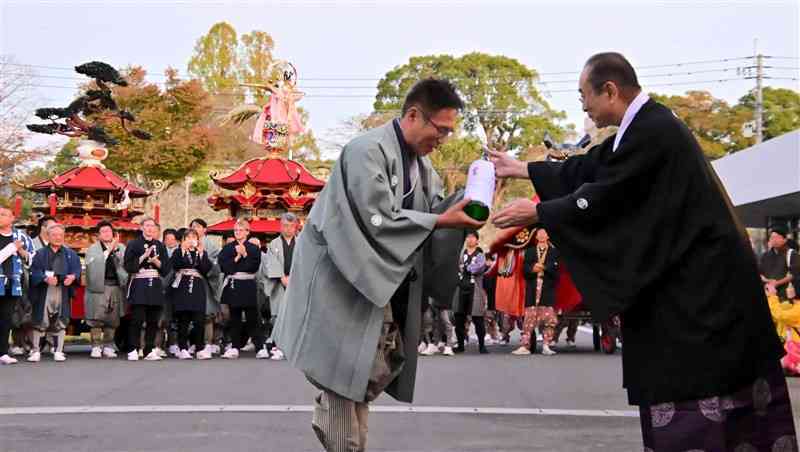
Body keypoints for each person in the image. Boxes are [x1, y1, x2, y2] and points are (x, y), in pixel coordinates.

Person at [490, 52, 796, 450]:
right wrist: (524, 169)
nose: (582, 104)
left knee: (708, 409)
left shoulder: (654, 131)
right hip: (700, 294)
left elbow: (610, 193)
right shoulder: (643, 128)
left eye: (585, 95)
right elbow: (592, 167)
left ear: (610, 90)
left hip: (702, 301)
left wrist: (540, 211)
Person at [274, 78, 483, 452]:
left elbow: (431, 216)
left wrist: (467, 201)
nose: (443, 139)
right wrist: (440, 220)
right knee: (342, 378)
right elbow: (377, 217)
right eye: (441, 129)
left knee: (363, 377)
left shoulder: (423, 168)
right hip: (342, 282)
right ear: (414, 115)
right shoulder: (365, 150)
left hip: (374, 286)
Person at [28, 223, 81, 363]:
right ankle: (35, 350)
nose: (58, 238)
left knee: (61, 320)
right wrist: (44, 278)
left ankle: (58, 350)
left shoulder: (71, 254)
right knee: (40, 319)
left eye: (60, 235)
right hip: (45, 290)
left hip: (62, 289)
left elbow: (77, 270)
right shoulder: (40, 254)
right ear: (48, 236)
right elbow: (33, 271)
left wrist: (73, 277)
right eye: (54, 235)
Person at [123, 217, 171, 361]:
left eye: (152, 226)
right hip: (139, 282)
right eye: (147, 225)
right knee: (137, 319)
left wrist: (156, 261)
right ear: (141, 227)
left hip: (155, 283)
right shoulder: (133, 244)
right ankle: (133, 348)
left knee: (153, 319)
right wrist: (143, 257)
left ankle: (149, 349)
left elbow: (166, 269)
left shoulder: (160, 245)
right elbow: (128, 266)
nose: (150, 228)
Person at [218, 218, 265, 359]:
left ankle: (259, 346)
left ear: (247, 232)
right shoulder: (227, 248)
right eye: (236, 230)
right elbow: (225, 267)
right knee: (235, 317)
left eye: (240, 230)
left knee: (253, 317)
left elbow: (253, 267)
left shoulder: (254, 248)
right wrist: (237, 258)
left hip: (248, 283)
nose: (238, 232)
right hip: (234, 283)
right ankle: (234, 346)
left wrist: (244, 254)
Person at [84, 221, 128, 359]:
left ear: (113, 233)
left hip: (115, 286)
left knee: (112, 319)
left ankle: (109, 345)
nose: (106, 234)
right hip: (99, 286)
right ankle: (96, 346)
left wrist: (115, 251)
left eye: (109, 231)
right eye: (103, 232)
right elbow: (92, 265)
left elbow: (125, 265)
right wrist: (109, 251)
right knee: (96, 318)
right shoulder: (93, 248)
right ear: (98, 235)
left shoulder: (121, 247)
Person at [514, 228, 560, 356]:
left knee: (549, 319)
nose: (541, 235)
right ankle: (525, 346)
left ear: (548, 236)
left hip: (547, 288)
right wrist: (532, 269)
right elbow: (524, 268)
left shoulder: (553, 252)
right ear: (536, 236)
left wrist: (543, 267)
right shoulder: (529, 251)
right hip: (533, 286)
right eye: (539, 233)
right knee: (529, 319)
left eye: (544, 233)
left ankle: (546, 345)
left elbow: (556, 269)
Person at [169, 229, 214, 360]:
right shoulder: (177, 252)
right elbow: (175, 265)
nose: (191, 240)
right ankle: (183, 347)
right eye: (187, 237)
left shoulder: (201, 252)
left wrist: (200, 254)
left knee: (199, 319)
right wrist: (183, 250)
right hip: (182, 285)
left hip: (198, 287)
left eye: (193, 237)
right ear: (183, 240)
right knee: (183, 319)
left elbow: (206, 269)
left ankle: (199, 347)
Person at [263, 212, 299, 360]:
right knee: (278, 316)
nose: (288, 229)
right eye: (285, 225)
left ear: (296, 226)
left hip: (298, 284)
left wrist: (294, 278)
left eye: (291, 226)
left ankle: (293, 347)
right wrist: (282, 277)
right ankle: (278, 346)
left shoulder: (302, 242)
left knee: (296, 316)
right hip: (279, 284)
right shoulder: (274, 244)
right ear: (280, 226)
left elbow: (306, 263)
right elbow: (270, 263)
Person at [0, 205, 33, 365]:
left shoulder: (21, 236)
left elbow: (33, 258)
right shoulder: (16, 241)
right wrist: (13, 247)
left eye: (4, 214)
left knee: (6, 319)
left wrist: (22, 252)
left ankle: (3, 352)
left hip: (13, 284)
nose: (0, 216)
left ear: (12, 218)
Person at [189, 218, 222, 358]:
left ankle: (208, 342)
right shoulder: (187, 241)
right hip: (189, 281)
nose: (195, 229)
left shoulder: (211, 245)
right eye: (192, 226)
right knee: (190, 312)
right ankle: (193, 342)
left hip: (204, 282)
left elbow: (215, 266)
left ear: (204, 229)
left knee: (207, 313)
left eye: (197, 226)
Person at [453, 231, 489, 354]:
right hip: (461, 287)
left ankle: (482, 345)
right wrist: (465, 268)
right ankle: (461, 345)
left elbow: (479, 267)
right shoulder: (461, 254)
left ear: (477, 240)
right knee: (459, 317)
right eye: (468, 237)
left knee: (477, 318)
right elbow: (457, 267)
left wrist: (466, 267)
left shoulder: (480, 254)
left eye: (472, 237)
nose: (470, 239)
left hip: (475, 288)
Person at [759, 225, 799, 301]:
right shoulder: (765, 255)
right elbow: (760, 273)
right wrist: (768, 281)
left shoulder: (792, 254)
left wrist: (776, 283)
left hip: (786, 296)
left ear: (785, 240)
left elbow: (794, 274)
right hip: (769, 295)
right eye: (772, 237)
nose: (774, 240)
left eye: (777, 237)